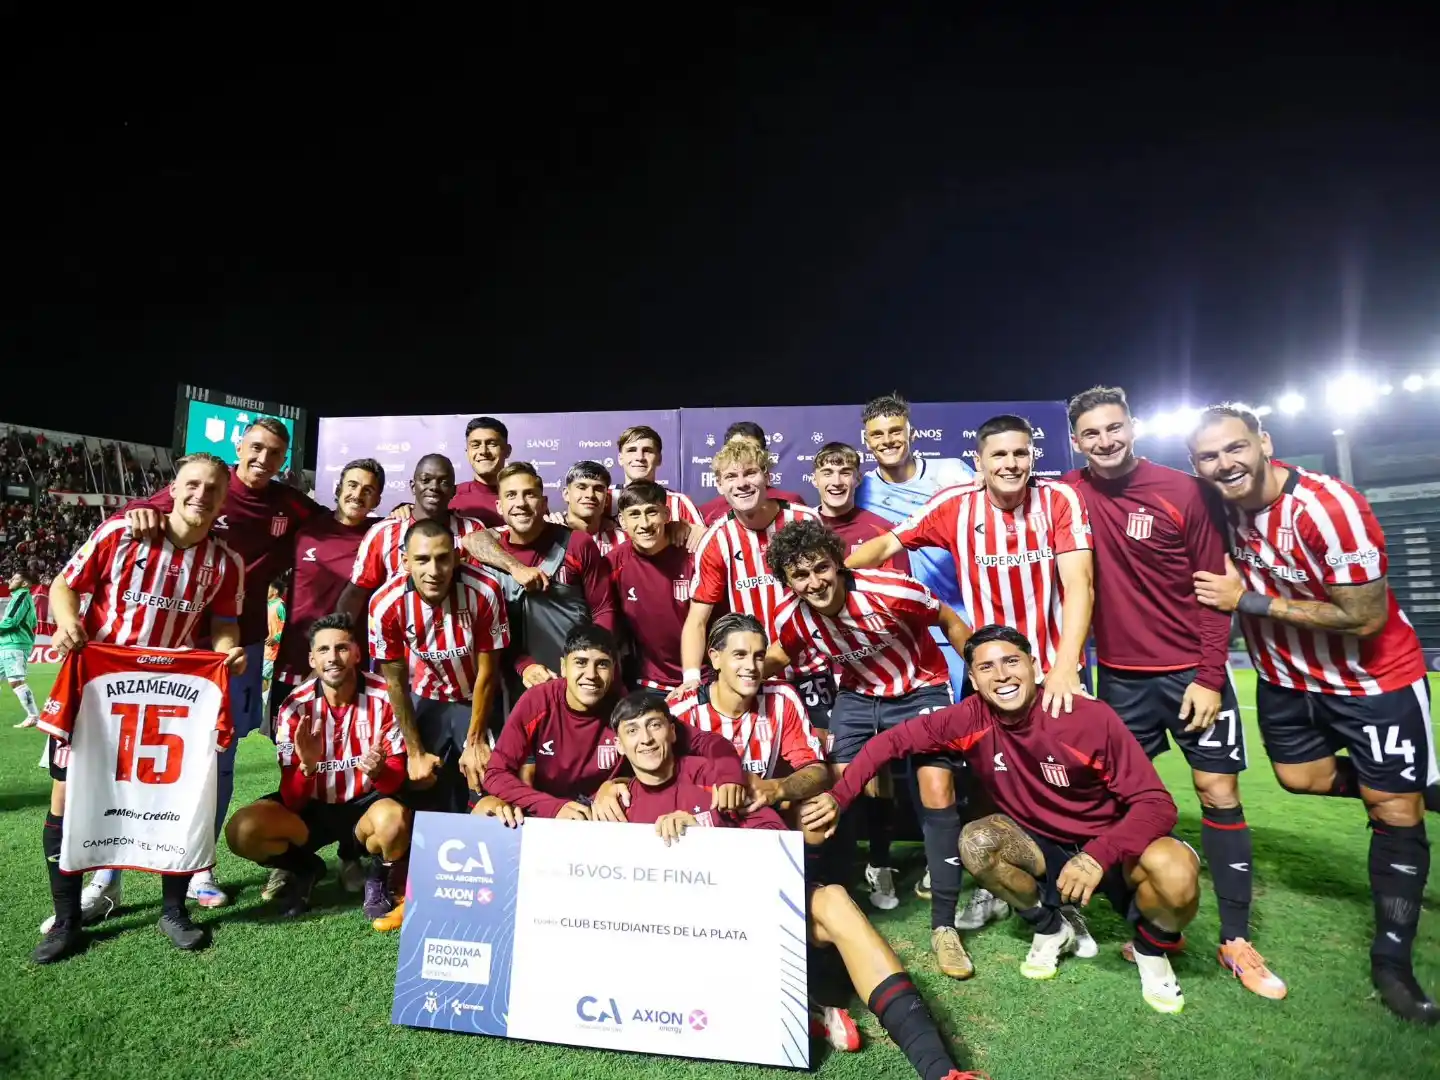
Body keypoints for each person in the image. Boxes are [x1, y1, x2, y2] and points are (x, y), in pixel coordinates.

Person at [1188, 404, 1438, 1024]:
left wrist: (1246, 598)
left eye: (1235, 448)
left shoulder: (1331, 508)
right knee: (1299, 779)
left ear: (1264, 442)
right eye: (1209, 457)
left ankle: (1392, 962)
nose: (1226, 464)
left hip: (1370, 681)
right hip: (1283, 680)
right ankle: (1414, 788)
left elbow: (1365, 617)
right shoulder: (1217, 506)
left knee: (1392, 811)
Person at [804, 626, 1198, 1015]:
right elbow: (887, 742)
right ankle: (1050, 929)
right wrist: (839, 797)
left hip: (1111, 845)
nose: (1002, 675)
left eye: (1011, 661)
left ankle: (1150, 952)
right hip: (1044, 849)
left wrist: (1098, 855)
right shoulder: (968, 718)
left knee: (1177, 871)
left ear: (1033, 664)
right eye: (987, 667)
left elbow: (1156, 804)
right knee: (976, 841)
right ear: (973, 679)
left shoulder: (1086, 717)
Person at [607, 691, 982, 1080]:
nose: (646, 739)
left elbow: (772, 835)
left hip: (750, 910)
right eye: (632, 731)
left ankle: (941, 1072)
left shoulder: (716, 777)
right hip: (683, 939)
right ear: (619, 744)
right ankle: (807, 1002)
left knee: (834, 900)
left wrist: (701, 830)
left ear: (671, 730)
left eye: (653, 725)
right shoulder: (617, 801)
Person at [1066, 386, 1284, 1000]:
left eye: (1114, 428)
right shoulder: (1068, 493)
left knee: (1217, 791)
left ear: (1132, 426)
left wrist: (1211, 677)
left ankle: (1236, 940)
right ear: (1075, 442)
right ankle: (1149, 916)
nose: (1105, 441)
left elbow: (1218, 592)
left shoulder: (1184, 491)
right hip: (1120, 678)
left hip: (1191, 671)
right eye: (1091, 433)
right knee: (1106, 798)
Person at [33, 452, 247, 963]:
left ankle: (173, 910)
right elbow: (66, 584)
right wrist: (67, 623)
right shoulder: (121, 534)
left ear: (223, 500)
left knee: (173, 800)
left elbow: (222, 625)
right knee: (68, 800)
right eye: (192, 484)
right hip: (97, 691)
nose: (201, 495)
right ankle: (65, 922)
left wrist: (225, 656)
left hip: (172, 699)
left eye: (213, 489)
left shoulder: (225, 561)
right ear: (172, 489)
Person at [124, 416, 323, 907]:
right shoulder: (206, 484)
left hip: (236, 647)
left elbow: (336, 519)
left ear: (284, 460)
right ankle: (108, 875)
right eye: (256, 447)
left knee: (220, 760)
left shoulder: (287, 503)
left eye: (275, 453)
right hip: (172, 644)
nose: (263, 459)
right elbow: (136, 514)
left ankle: (200, 867)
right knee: (138, 757)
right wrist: (135, 514)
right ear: (239, 445)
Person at [765, 520, 979, 974]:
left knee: (936, 788)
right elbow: (780, 656)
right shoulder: (794, 617)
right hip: (859, 697)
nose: (814, 583)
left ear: (838, 563)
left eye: (821, 568)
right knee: (839, 793)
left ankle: (944, 927)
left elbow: (946, 617)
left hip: (920, 687)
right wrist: (734, 674)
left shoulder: (889, 588)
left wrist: (976, 670)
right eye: (800, 576)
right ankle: (846, 897)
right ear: (788, 581)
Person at [850, 414, 1093, 714]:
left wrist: (1066, 666)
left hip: (1057, 664)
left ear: (1033, 456)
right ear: (979, 462)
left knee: (1071, 758)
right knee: (995, 760)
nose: (1011, 463)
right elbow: (887, 543)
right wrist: (836, 577)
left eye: (1020, 453)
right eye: (999, 455)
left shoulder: (1060, 499)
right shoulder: (955, 504)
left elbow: (1080, 584)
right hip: (991, 670)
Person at [225, 613, 410, 922]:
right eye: (323, 650)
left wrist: (380, 771)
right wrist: (306, 769)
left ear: (356, 653)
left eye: (341, 648)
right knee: (242, 831)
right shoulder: (294, 707)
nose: (333, 658)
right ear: (311, 658)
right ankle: (306, 867)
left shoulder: (384, 697)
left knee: (394, 821)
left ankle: (378, 879)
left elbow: (395, 781)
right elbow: (293, 799)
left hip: (365, 805)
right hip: (312, 809)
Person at [479, 623, 746, 821]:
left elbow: (707, 741)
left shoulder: (623, 707)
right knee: (485, 810)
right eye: (580, 663)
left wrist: (730, 776)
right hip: (551, 814)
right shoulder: (538, 701)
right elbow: (495, 773)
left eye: (602, 665)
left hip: (605, 817)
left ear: (614, 669)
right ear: (563, 667)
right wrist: (552, 807)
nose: (591, 675)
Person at [677, 437, 827, 721]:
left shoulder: (805, 522)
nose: (741, 483)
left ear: (767, 477)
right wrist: (692, 677)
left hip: (812, 668)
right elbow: (697, 618)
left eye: (750, 473)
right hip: (754, 674)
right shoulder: (717, 539)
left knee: (826, 760)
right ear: (720, 486)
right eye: (731, 476)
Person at [369, 518, 509, 819]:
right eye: (422, 559)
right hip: (426, 696)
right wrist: (415, 751)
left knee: (488, 777)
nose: (434, 571)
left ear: (457, 557)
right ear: (406, 561)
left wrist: (475, 742)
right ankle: (401, 858)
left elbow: (488, 673)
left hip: (476, 697)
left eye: (443, 558)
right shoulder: (385, 604)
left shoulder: (484, 590)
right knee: (415, 778)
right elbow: (394, 682)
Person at [854, 393, 976, 701]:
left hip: (969, 614)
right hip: (912, 624)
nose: (888, 440)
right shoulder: (859, 490)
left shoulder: (951, 473)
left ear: (912, 433)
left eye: (896, 431)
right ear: (867, 441)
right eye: (877, 434)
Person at [485, 462, 616, 709]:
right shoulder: (490, 556)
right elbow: (489, 631)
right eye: (511, 495)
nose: (521, 503)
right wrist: (523, 665)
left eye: (529, 494)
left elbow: (603, 610)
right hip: (515, 684)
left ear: (544, 503)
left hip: (579, 683)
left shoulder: (578, 544)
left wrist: (589, 664)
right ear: (499, 506)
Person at [338, 454, 489, 618]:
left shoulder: (472, 529)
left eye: (444, 482)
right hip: (399, 638)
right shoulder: (383, 533)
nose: (434, 487)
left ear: (453, 491)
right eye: (426, 480)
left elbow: (483, 589)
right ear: (412, 486)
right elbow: (356, 594)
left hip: (460, 633)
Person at [606, 480, 696, 692]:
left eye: (651, 512)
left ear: (666, 515)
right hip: (646, 683)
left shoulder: (694, 556)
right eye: (635, 514)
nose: (644, 523)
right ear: (622, 521)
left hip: (700, 677)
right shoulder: (612, 564)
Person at [810, 441, 910, 573]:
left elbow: (901, 590)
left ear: (858, 478)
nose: (836, 482)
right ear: (815, 480)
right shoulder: (800, 527)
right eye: (827, 473)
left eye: (845, 473)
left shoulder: (884, 531)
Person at [697, 421, 807, 525]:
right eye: (736, 449)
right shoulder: (707, 513)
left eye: (752, 449)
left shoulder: (792, 503)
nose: (744, 455)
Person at [610, 424, 702, 526]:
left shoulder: (679, 503)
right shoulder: (605, 498)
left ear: (659, 459)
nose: (639, 457)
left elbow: (704, 539)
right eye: (631, 450)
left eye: (647, 451)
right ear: (620, 458)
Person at [549, 460, 623, 556]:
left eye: (598, 489)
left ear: (607, 499)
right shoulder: (547, 534)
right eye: (581, 487)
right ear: (566, 494)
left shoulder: (622, 540)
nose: (590, 495)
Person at [449, 415, 509, 526]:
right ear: (467, 452)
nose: (483, 451)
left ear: (507, 450)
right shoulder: (449, 495)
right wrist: (407, 509)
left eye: (492, 444)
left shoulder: (524, 497)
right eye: (475, 445)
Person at [2, 566, 41, 728]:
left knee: (16, 681)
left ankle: (33, 716)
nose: (10, 580)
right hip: (7, 644)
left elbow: (11, 622)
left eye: (15, 578)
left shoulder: (22, 597)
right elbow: (32, 623)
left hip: (14, 644)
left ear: (25, 583)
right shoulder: (19, 597)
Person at [262, 577, 286, 712]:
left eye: (269, 587)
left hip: (273, 651)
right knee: (263, 679)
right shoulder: (267, 605)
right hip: (265, 649)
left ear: (275, 591)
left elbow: (286, 625)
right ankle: (266, 708)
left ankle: (271, 709)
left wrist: (277, 638)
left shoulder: (279, 605)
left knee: (268, 679)